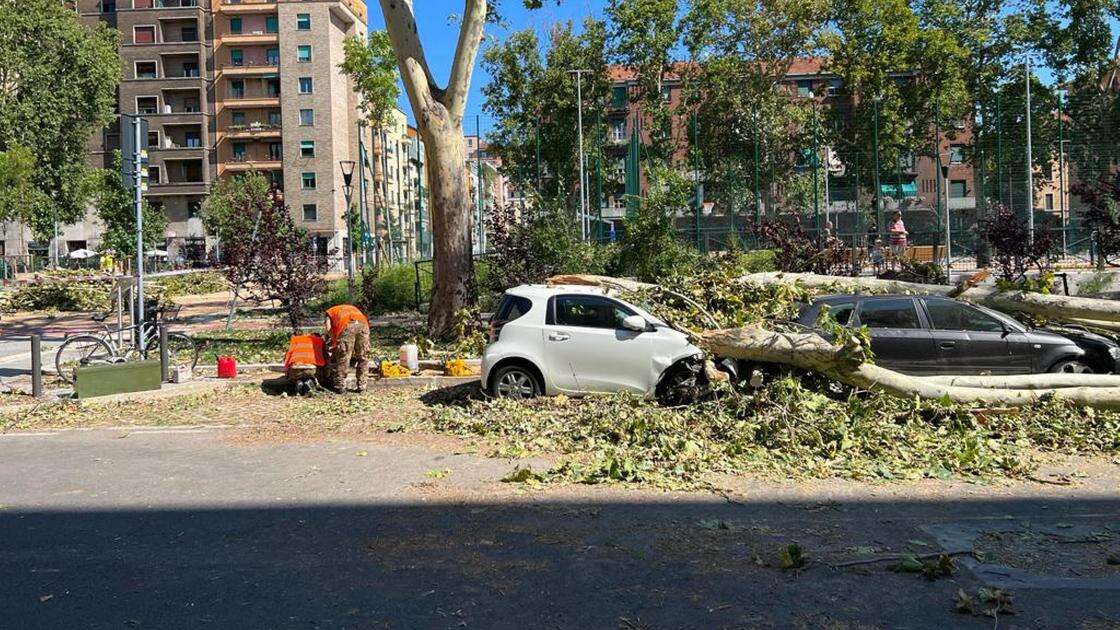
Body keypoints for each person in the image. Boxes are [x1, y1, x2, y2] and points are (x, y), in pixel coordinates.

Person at [324, 303, 370, 393]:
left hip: (347, 326)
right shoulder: (351, 308)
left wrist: (334, 340)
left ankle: (339, 386)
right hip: (363, 325)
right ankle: (362, 386)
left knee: (344, 356)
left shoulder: (329, 312)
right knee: (363, 357)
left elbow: (328, 328)